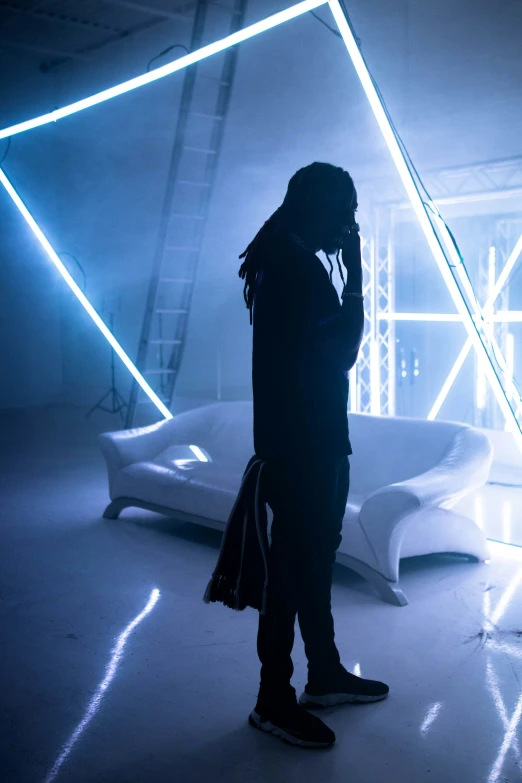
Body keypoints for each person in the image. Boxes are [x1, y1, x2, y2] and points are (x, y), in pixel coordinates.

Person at [240, 163, 389, 748]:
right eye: (344, 210)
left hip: (312, 440)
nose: (351, 223)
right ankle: (272, 700)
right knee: (293, 569)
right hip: (301, 445)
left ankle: (322, 673)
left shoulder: (286, 258)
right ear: (317, 208)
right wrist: (354, 278)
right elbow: (345, 352)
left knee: (313, 560)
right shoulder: (294, 269)